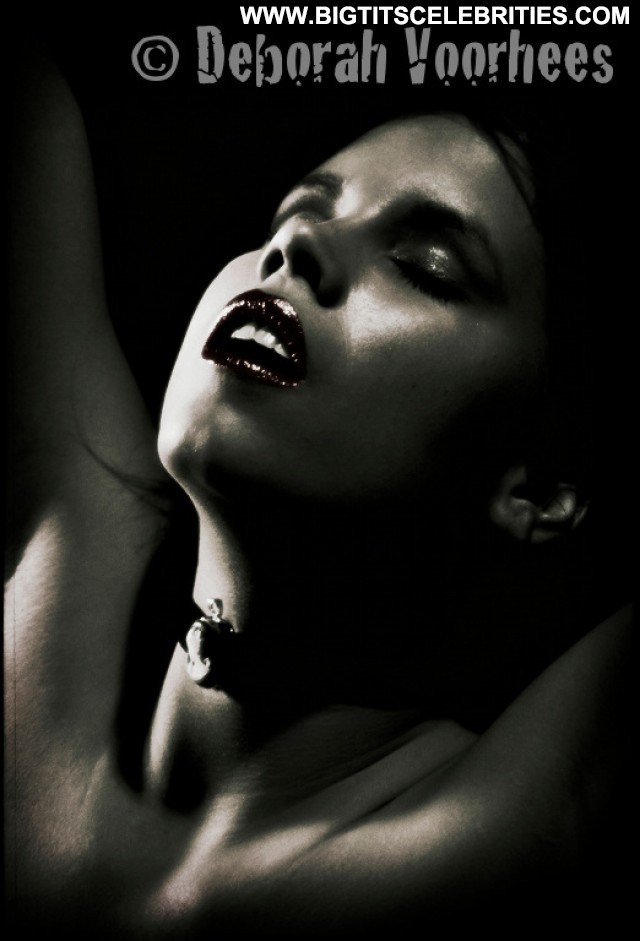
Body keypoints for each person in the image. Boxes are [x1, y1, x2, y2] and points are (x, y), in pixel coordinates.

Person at [6, 44, 633, 938]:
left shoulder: (494, 844)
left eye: (425, 266)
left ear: (538, 489)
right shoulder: (55, 595)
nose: (296, 246)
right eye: (294, 212)